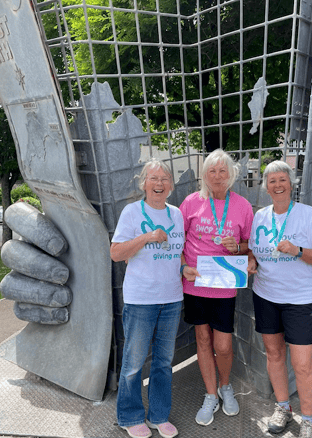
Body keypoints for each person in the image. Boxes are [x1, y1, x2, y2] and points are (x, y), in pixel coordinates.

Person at [247, 160, 312, 438]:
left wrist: (297, 250)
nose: (278, 185)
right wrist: (250, 261)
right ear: (266, 187)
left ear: (291, 183)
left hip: (299, 299)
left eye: (282, 179)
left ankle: (308, 420)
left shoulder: (308, 215)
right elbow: (252, 251)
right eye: (272, 181)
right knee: (273, 354)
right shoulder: (260, 216)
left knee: (303, 363)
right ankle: (283, 407)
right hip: (265, 295)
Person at [111, 158, 185, 438]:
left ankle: (158, 415)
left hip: (172, 298)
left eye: (165, 179)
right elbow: (116, 253)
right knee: (133, 363)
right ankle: (130, 417)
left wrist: (184, 268)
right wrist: (147, 237)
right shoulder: (131, 212)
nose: (159, 184)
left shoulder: (176, 214)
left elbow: (176, 253)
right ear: (144, 184)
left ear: (171, 186)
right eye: (153, 179)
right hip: (141, 299)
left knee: (164, 362)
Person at [179, 149, 254, 426]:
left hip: (224, 285)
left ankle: (225, 387)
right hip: (196, 283)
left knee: (222, 345)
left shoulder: (243, 206)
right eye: (212, 171)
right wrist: (182, 266)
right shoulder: (191, 202)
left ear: (231, 174)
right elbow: (179, 242)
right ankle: (211, 395)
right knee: (202, 340)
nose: (218, 176)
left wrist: (238, 247)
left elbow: (249, 245)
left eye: (223, 171)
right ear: (205, 175)